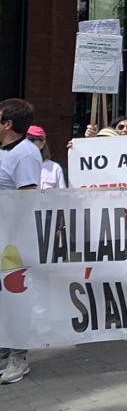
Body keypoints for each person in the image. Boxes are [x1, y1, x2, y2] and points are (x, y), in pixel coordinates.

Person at [0, 98, 40, 385]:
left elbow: (27, 199)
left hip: (12, 241)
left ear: (8, 124)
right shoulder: (4, 151)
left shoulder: (24, 153)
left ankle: (18, 356)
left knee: (14, 299)